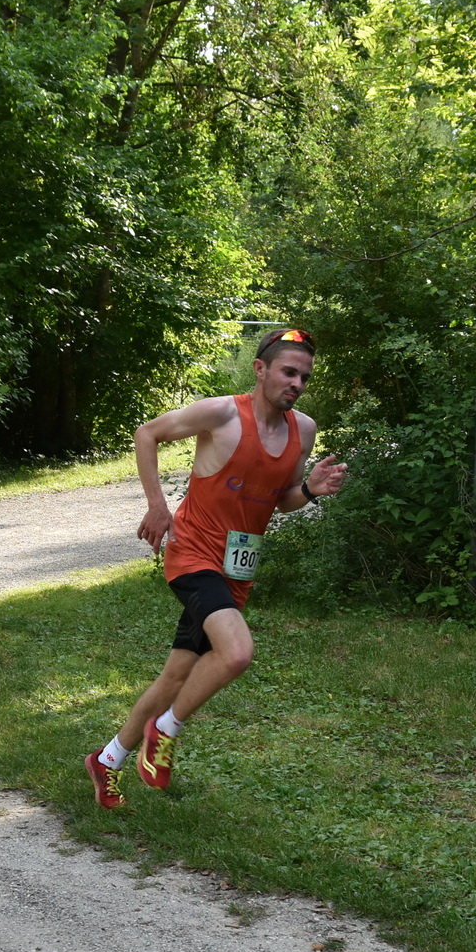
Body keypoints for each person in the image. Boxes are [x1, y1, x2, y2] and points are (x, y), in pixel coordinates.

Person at [85, 327, 348, 808]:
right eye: (289, 372)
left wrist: (310, 490)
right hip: (193, 554)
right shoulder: (222, 413)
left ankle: (107, 759)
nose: (297, 383)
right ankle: (162, 735)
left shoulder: (303, 431)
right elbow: (148, 434)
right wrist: (157, 506)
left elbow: (282, 500)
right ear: (261, 369)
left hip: (236, 568)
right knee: (237, 653)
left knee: (176, 677)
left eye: (305, 377)